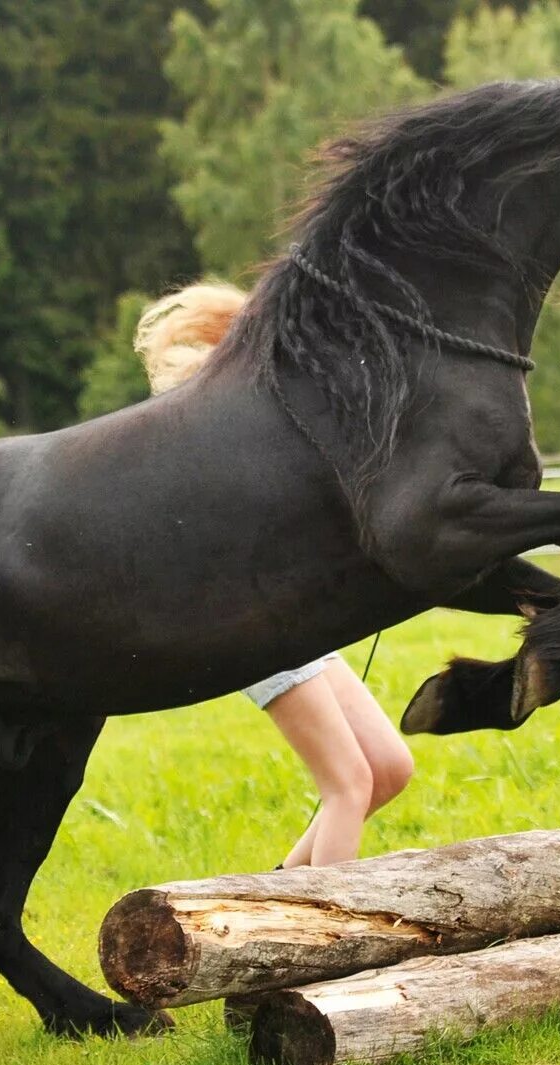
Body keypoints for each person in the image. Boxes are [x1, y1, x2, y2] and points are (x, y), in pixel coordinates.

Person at [135, 284, 414, 868]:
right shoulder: (212, 437)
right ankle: (325, 938)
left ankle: (280, 893)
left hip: (295, 626)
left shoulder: (265, 427)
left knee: (389, 768)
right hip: (258, 630)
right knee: (349, 784)